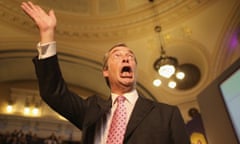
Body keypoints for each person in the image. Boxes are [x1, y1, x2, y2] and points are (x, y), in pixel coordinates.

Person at [21, 1, 190, 144]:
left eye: (130, 56)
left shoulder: (166, 114)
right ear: (106, 71)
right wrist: (47, 33)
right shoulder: (92, 111)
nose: (126, 59)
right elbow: (53, 93)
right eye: (117, 56)